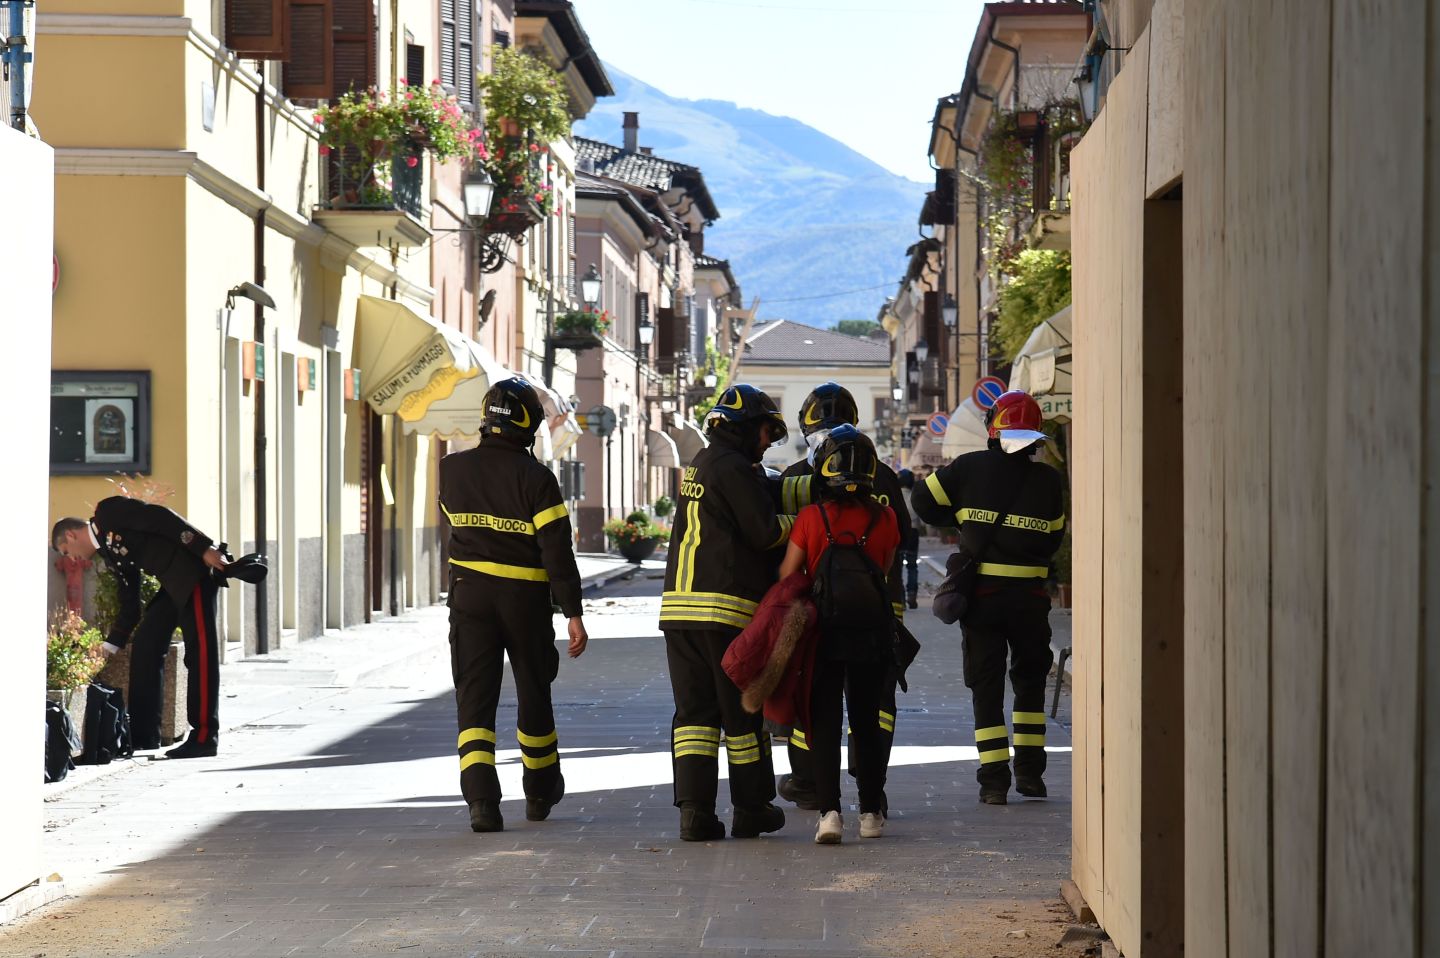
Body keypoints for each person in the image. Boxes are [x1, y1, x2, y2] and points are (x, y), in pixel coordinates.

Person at [438, 376, 589, 833]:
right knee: (533, 693)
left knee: (474, 700)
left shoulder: (451, 469)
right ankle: (540, 790)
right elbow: (557, 553)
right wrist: (573, 613)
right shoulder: (537, 479)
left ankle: (482, 802)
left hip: (469, 599)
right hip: (524, 603)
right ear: (526, 425)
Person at [910, 390, 1065, 804]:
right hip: (1030, 600)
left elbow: (922, 501)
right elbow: (1053, 539)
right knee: (1030, 684)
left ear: (995, 429)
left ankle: (994, 782)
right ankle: (1031, 775)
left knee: (986, 687)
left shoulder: (969, 468)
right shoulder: (1050, 482)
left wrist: (962, 518)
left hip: (982, 599)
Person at [660, 383, 792, 842]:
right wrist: (806, 525)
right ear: (744, 429)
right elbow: (763, 532)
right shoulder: (736, 468)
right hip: (725, 609)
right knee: (741, 718)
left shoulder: (703, 462)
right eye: (763, 432)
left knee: (694, 716)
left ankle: (694, 813)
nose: (767, 442)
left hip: (680, 611)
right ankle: (751, 807)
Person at [773, 382, 910, 815]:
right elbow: (900, 543)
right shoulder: (882, 475)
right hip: (880, 609)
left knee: (811, 700)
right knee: (876, 707)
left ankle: (809, 783)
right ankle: (874, 790)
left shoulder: (798, 477)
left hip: (817, 612)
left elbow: (779, 549)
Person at [52, 498, 231, 758]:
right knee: (146, 644)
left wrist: (204, 548)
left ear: (70, 534)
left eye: (66, 550)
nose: (72, 558)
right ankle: (145, 735)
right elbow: (130, 604)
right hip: (172, 585)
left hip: (194, 573)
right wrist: (108, 647)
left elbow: (161, 517)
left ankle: (205, 736)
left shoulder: (108, 512)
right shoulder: (108, 553)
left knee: (200, 654)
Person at [896, 468, 921, 610]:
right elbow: (920, 517)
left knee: (898, 566)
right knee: (912, 566)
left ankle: (900, 598)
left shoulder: (896, 497)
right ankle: (912, 596)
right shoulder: (914, 496)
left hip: (899, 532)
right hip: (913, 533)